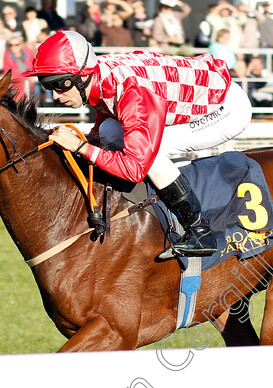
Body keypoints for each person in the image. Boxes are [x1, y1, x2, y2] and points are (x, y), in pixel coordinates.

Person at [23, 30, 253, 258]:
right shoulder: (98, 75)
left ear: (82, 76)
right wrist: (88, 142)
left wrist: (81, 147)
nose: (54, 96)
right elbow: (106, 114)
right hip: (185, 94)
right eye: (47, 86)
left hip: (226, 109)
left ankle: (199, 230)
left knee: (151, 154)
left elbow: (134, 168)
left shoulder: (133, 93)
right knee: (108, 132)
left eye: (59, 84)